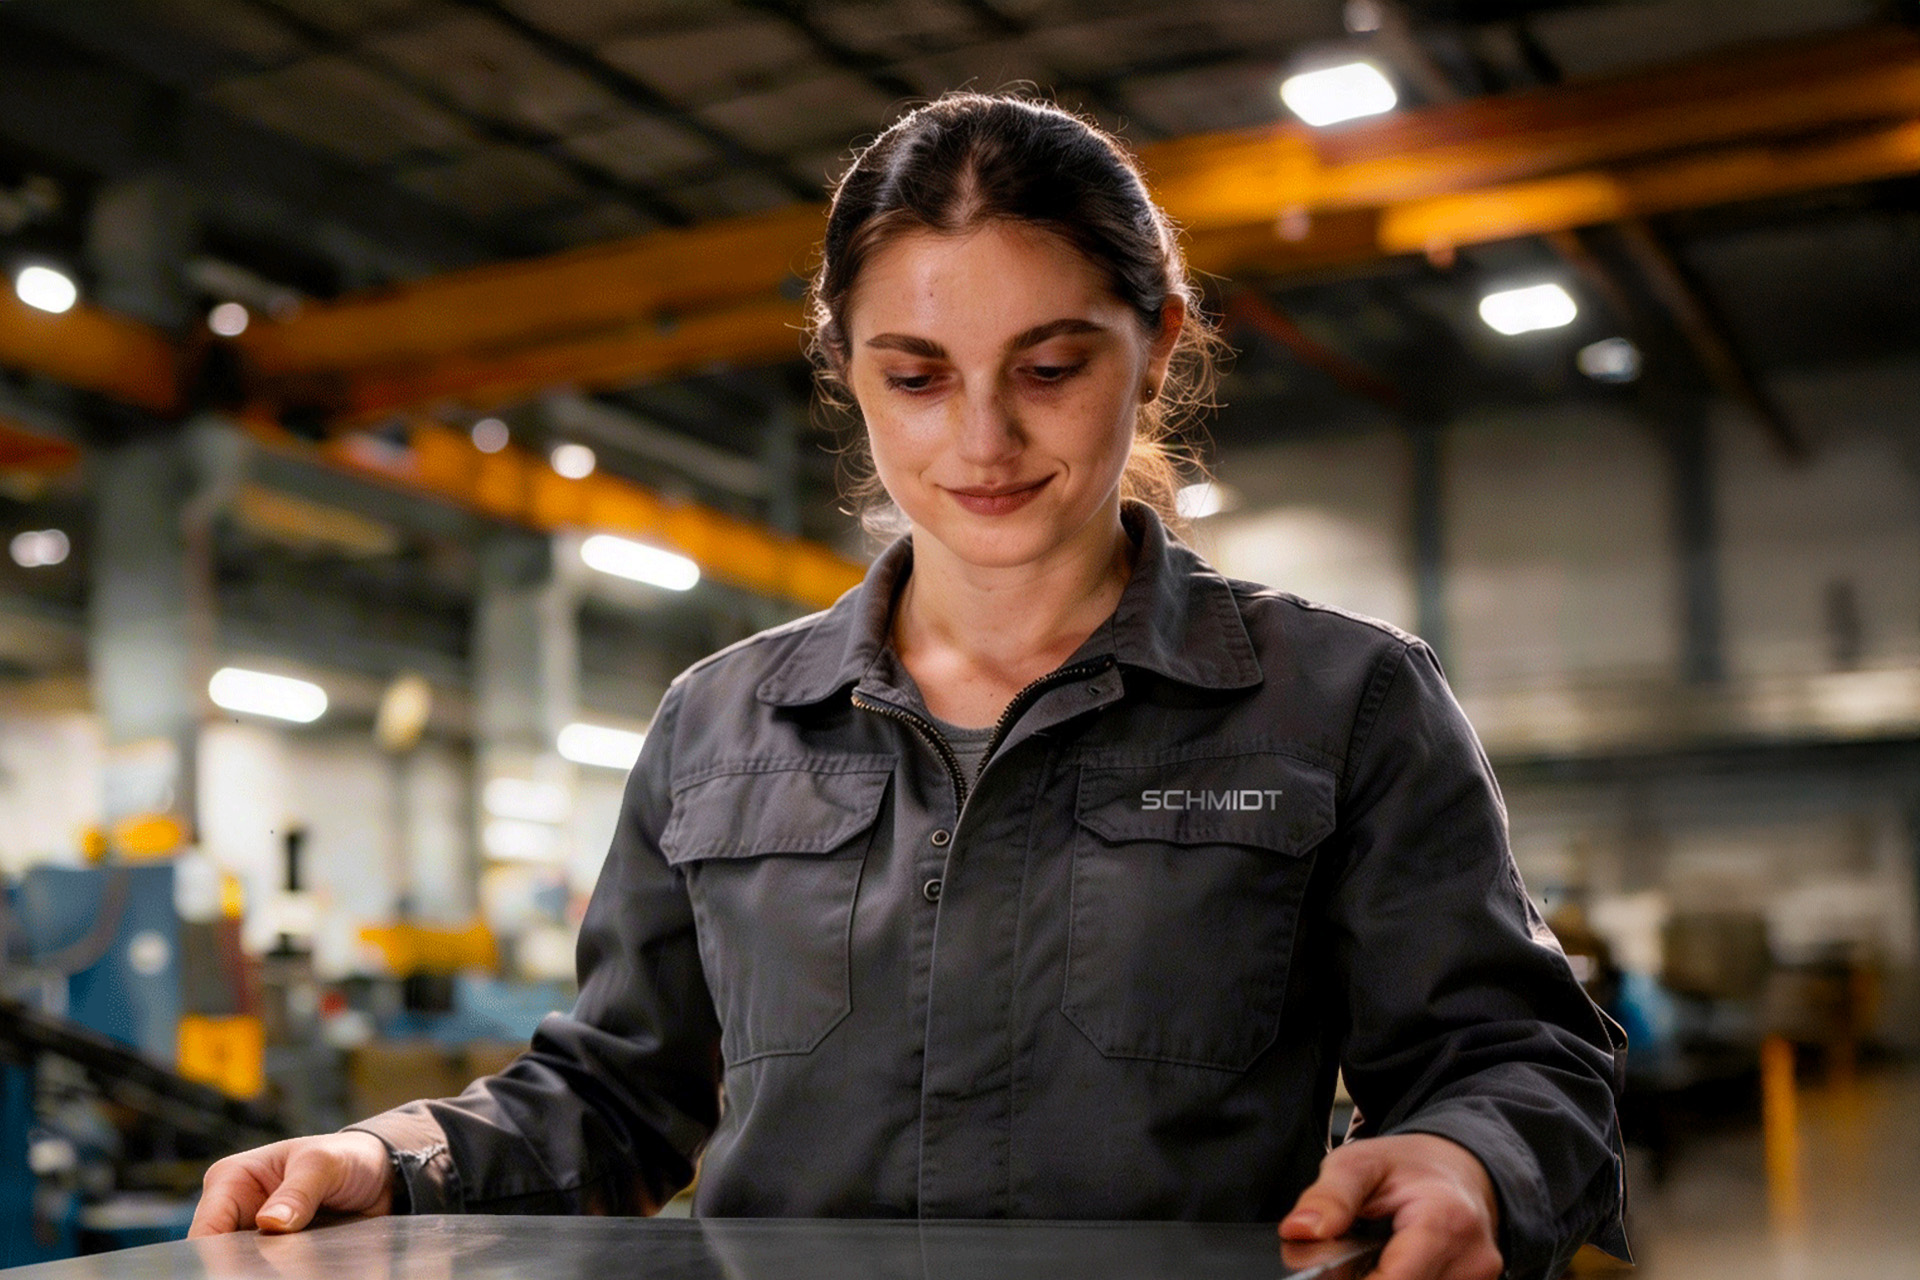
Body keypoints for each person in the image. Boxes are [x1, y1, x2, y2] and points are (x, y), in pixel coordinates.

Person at [190, 93, 1627, 1280]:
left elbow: (1514, 1053)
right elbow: (618, 1100)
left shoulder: (1337, 700)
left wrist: (1467, 1159)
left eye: (1052, 367)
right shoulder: (720, 727)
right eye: (919, 378)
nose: (985, 439)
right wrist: (390, 1159)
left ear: (1160, 340)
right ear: (846, 370)